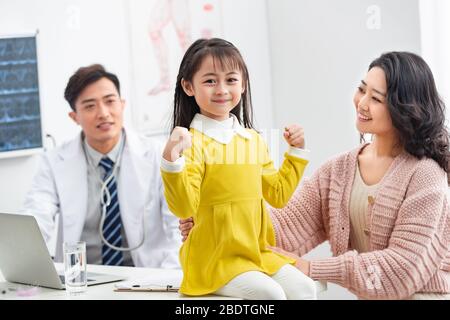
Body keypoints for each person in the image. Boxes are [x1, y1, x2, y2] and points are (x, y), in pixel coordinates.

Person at [181, 51, 450, 299]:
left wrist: (313, 268)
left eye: (376, 98)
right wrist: (215, 220)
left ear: (405, 109)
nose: (362, 103)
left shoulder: (425, 175)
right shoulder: (339, 170)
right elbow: (284, 227)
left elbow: (402, 270)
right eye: (361, 89)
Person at [160, 38, 318, 300]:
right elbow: (184, 207)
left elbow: (277, 195)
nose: (221, 89)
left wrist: (296, 152)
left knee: (305, 288)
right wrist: (171, 159)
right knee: (270, 295)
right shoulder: (192, 143)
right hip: (213, 259)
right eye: (210, 81)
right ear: (188, 86)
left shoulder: (253, 140)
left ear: (243, 84)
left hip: (256, 253)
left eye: (231, 80)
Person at [22, 64, 181, 268]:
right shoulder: (54, 162)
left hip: (146, 275)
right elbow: (37, 214)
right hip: (82, 278)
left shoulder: (158, 156)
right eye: (90, 106)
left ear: (122, 104)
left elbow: (178, 224)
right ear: (74, 117)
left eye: (110, 101)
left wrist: (166, 277)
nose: (103, 113)